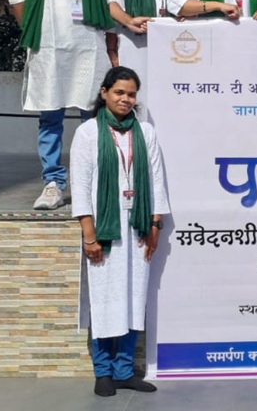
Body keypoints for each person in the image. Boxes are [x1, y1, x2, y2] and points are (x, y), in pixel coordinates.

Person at [5, 0, 127, 210]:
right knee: (50, 116)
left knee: (93, 116)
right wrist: (33, 31)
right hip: (48, 43)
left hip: (88, 41)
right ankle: (53, 183)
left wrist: (115, 40)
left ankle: (93, 182)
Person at [70, 66, 169, 397]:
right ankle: (103, 372)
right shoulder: (87, 133)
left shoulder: (145, 132)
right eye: (119, 92)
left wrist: (155, 225)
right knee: (103, 299)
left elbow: (156, 180)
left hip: (137, 227)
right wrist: (89, 236)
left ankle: (125, 371)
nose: (126, 99)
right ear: (104, 93)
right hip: (104, 229)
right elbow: (81, 187)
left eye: (131, 94)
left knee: (133, 298)